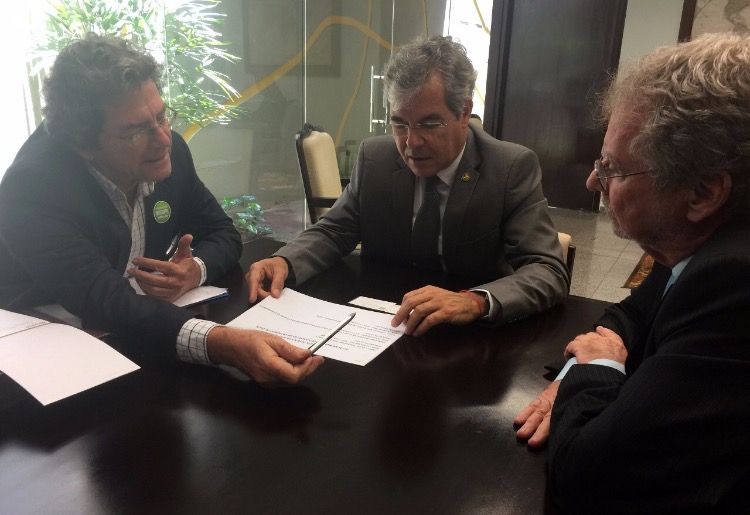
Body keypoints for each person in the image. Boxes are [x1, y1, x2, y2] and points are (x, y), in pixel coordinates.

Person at [0, 34, 322, 385]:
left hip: (133, 335)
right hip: (36, 358)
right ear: (84, 144)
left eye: (162, 116)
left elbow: (223, 233)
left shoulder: (170, 154)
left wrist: (194, 271)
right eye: (136, 131)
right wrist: (222, 344)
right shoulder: (32, 187)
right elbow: (103, 300)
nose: (164, 138)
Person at [514, 33, 750, 513]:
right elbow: (633, 313)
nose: (592, 181)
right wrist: (592, 365)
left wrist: (595, 369)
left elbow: (586, 476)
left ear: (703, 193)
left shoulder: (733, 283)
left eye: (613, 168)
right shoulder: (695, 243)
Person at [247, 35, 569, 336]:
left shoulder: (509, 168)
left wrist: (474, 301)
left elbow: (548, 271)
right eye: (400, 124)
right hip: (384, 324)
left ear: (464, 112)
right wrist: (285, 261)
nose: (411, 142)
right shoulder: (376, 158)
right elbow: (333, 231)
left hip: (471, 337)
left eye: (429, 124)